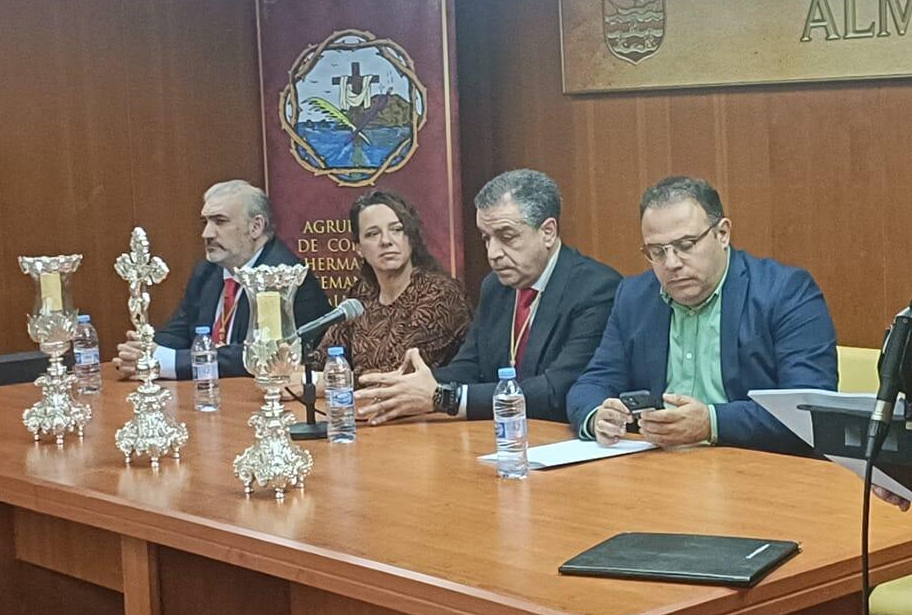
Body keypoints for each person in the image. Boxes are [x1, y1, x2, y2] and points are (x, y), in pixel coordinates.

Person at [567, 176, 838, 455]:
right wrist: (598, 416)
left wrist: (712, 423)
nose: (671, 263)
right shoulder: (634, 297)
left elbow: (808, 410)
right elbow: (592, 383)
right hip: (657, 464)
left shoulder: (785, 292)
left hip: (754, 463)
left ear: (722, 234)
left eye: (686, 245)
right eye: (657, 252)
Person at [351, 169, 620, 424]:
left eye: (506, 237)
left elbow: (555, 391)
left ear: (547, 232)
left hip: (560, 441)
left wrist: (445, 398)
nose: (493, 254)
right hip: (500, 436)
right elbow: (469, 367)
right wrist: (408, 388)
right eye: (486, 239)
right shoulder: (496, 287)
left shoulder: (595, 289)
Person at [115, 179, 332, 380]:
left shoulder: (280, 276)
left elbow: (259, 355)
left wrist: (166, 362)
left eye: (220, 221)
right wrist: (143, 353)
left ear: (255, 227)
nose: (207, 234)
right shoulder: (207, 271)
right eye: (206, 222)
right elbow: (178, 332)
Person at [310, 188, 471, 380]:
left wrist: (328, 381)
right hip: (361, 398)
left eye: (396, 230)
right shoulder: (361, 294)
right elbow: (322, 359)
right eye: (372, 234)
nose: (386, 241)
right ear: (359, 249)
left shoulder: (440, 294)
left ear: (411, 238)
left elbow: (395, 374)